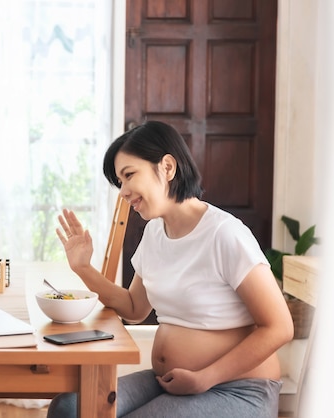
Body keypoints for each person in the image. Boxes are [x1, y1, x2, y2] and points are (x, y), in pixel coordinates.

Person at [48, 121, 294, 418]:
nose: (123, 191)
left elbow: (280, 327)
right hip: (172, 381)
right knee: (69, 408)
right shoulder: (155, 233)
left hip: (238, 388)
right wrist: (83, 268)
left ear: (167, 167)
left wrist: (206, 377)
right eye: (119, 182)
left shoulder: (225, 234)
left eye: (129, 176)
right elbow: (134, 307)